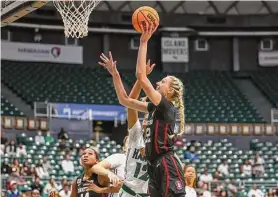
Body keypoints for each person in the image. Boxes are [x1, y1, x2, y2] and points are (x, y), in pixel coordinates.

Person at [99, 22, 186, 197]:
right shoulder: (154, 108)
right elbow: (125, 101)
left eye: (162, 82)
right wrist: (115, 75)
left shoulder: (166, 106)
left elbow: (140, 75)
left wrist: (144, 42)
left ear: (170, 91)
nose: (157, 83)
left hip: (166, 162)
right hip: (154, 166)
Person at [95, 59, 155, 197]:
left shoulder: (158, 142)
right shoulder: (136, 135)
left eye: (149, 117)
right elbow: (129, 103)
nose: (145, 119)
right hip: (128, 192)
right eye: (144, 117)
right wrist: (140, 79)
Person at [50, 148, 122, 197]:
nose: (85, 155)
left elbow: (121, 187)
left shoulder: (100, 176)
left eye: (90, 154)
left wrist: (100, 190)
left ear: (97, 160)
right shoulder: (76, 181)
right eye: (83, 154)